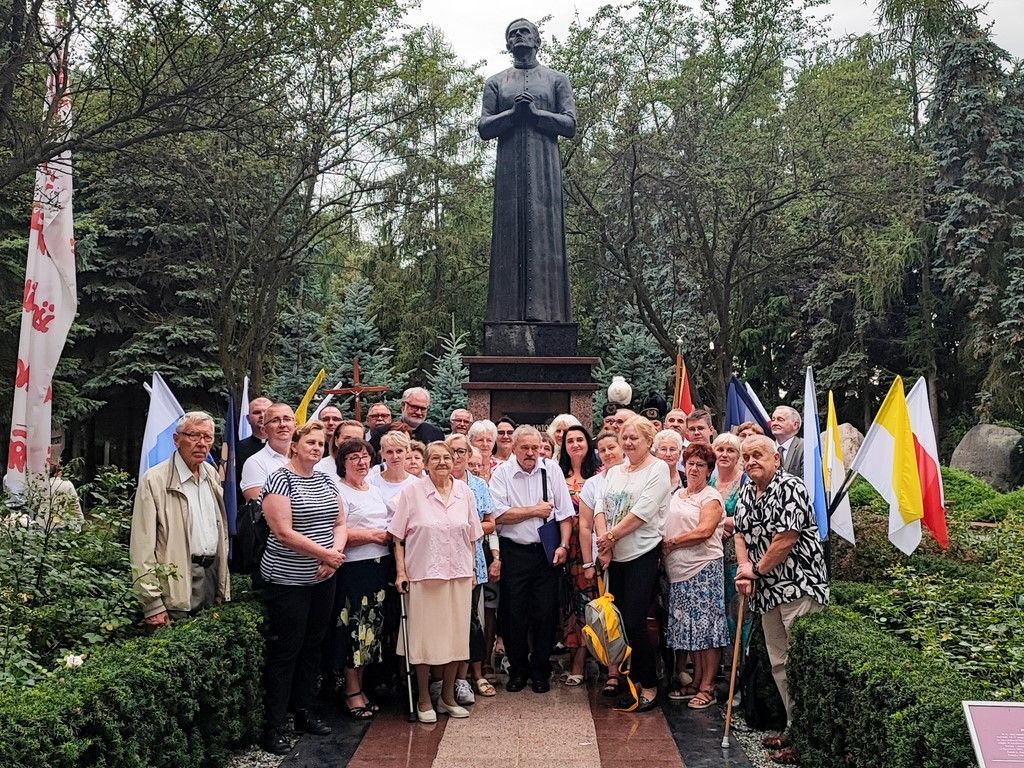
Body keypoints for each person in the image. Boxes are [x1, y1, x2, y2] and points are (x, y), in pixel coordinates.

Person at [734, 434, 829, 766]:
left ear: (776, 458)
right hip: (768, 591)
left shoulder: (792, 488)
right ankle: (793, 727)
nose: (751, 462)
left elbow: (785, 540)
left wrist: (754, 572)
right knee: (779, 662)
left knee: (800, 663)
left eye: (758, 455)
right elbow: (740, 533)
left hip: (798, 587)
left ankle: (808, 739)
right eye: (746, 457)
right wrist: (745, 567)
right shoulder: (747, 490)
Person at [478, 18, 576, 324]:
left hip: (546, 173)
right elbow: (483, 127)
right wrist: (512, 113)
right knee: (507, 241)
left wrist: (535, 115)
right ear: (508, 45)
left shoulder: (556, 79)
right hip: (509, 175)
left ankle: (550, 317)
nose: (519, 37)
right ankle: (506, 318)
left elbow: (570, 124)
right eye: (513, 34)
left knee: (546, 238)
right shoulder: (496, 82)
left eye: (524, 32)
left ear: (537, 40)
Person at [259, 420, 346, 755]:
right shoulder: (279, 479)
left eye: (321, 444)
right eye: (310, 442)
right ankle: (274, 725)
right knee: (287, 651)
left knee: (314, 646)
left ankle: (304, 711)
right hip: (288, 580)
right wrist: (325, 554)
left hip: (323, 577)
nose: (316, 448)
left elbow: (340, 522)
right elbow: (283, 532)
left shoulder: (326, 479)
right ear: (294, 445)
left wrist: (333, 556)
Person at [390, 442, 484, 722]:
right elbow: (398, 537)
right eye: (436, 458)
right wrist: (401, 573)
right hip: (424, 574)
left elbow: (472, 536)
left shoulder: (464, 492)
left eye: (447, 457)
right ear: (426, 462)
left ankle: (447, 697)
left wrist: (474, 570)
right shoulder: (412, 492)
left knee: (457, 639)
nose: (443, 462)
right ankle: (422, 699)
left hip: (459, 574)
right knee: (423, 640)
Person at [593, 416, 670, 712]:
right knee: (620, 624)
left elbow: (643, 512)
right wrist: (604, 542)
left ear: (649, 441)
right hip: (613, 555)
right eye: (624, 437)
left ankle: (649, 683)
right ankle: (630, 681)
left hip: (641, 554)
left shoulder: (658, 469)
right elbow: (600, 506)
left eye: (634, 437)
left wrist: (610, 537)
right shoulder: (614, 472)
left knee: (637, 622)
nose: (627, 443)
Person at [489, 425, 574, 693]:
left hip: (545, 553)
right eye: (524, 447)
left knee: (545, 613)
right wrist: (534, 511)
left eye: (535, 448)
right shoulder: (501, 473)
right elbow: (498, 516)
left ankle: (540, 670)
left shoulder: (552, 470)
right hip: (514, 551)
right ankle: (517, 670)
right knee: (513, 614)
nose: (530, 453)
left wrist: (563, 545)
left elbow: (564, 513)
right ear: (513, 448)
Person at [130, 411, 230, 626]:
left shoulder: (211, 475)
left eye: (208, 437)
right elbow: (142, 545)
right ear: (177, 440)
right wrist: (152, 603)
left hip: (210, 574)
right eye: (194, 436)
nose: (202, 443)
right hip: (177, 580)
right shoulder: (155, 480)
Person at [663, 443, 728, 709]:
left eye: (701, 465)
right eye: (690, 463)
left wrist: (674, 542)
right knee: (691, 631)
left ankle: (708, 686)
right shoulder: (677, 494)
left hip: (704, 569)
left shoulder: (711, 496)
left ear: (709, 470)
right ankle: (695, 681)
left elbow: (704, 530)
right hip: (678, 572)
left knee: (708, 630)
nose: (694, 468)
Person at [333, 438, 392, 720]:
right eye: (354, 457)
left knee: (371, 631)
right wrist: (371, 536)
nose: (361, 462)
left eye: (365, 457)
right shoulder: (338, 490)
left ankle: (362, 686)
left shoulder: (374, 488)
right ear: (343, 462)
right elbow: (337, 532)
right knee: (354, 629)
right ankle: (351, 691)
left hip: (380, 566)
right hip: (354, 568)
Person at [446, 433, 499, 700]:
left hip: (471, 559)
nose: (457, 457)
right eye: (452, 451)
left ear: (469, 455)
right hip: (442, 563)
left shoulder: (478, 485)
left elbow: (491, 522)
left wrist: (469, 529)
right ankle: (449, 679)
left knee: (471, 620)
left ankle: (471, 676)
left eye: (462, 452)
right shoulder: (433, 484)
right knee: (449, 622)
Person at [557, 424, 600, 685]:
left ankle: (581, 663)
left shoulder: (599, 475)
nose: (575, 444)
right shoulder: (556, 474)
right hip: (562, 550)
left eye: (580, 440)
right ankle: (570, 654)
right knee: (567, 606)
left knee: (585, 604)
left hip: (586, 550)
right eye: (570, 440)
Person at [710, 433, 751, 653]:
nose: (725, 454)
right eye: (721, 450)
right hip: (712, 559)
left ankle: (739, 670)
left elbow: (749, 517)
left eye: (731, 450)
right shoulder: (710, 480)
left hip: (737, 558)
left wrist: (718, 522)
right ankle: (723, 669)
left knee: (739, 614)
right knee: (719, 613)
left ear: (738, 456)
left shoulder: (746, 481)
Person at [241, 403, 295, 500]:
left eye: (287, 419)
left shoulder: (308, 458)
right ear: (264, 429)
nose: (282, 424)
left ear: (295, 424)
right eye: (275, 420)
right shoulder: (255, 463)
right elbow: (260, 508)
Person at [370, 388, 444, 454]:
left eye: (423, 409)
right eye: (414, 407)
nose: (419, 412)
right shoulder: (382, 433)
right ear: (403, 406)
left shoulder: (436, 434)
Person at [368, 430, 418, 512]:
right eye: (389, 452)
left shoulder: (416, 484)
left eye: (399, 451)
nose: (395, 456)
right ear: (382, 454)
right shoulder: (372, 482)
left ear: (407, 452)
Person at [236, 396, 273, 486]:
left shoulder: (286, 448)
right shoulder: (236, 449)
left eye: (267, 412)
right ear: (248, 419)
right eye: (257, 412)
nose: (262, 415)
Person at [769, 406, 804, 475]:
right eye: (773, 420)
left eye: (780, 419)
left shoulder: (804, 447)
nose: (774, 423)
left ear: (795, 425)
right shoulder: (767, 448)